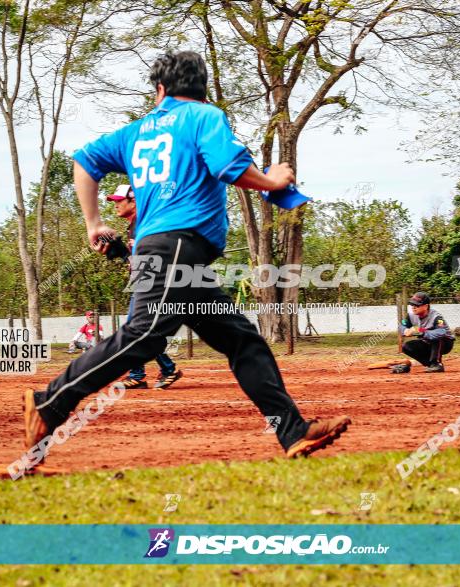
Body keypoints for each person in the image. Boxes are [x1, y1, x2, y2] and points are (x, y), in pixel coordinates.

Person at [24, 51, 350, 461]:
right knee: (145, 335)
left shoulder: (136, 132)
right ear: (202, 87)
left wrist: (93, 223)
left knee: (242, 341)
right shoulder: (204, 117)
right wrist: (273, 179)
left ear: (161, 89)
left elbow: (83, 162)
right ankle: (50, 402)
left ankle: (293, 432)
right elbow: (230, 167)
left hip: (177, 251)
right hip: (176, 245)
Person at [108, 186, 183, 390]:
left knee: (136, 328)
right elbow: (135, 259)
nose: (115, 204)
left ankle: (145, 373)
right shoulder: (133, 226)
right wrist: (120, 250)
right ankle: (156, 371)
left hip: (153, 281)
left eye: (119, 200)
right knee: (140, 329)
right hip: (144, 279)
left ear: (133, 201)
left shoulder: (145, 222)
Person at [398, 292, 455, 373]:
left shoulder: (436, 317)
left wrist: (421, 331)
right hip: (427, 342)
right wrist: (405, 330)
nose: (413, 307)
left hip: (445, 343)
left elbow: (441, 332)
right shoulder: (411, 315)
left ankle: (436, 364)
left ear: (426, 306)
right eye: (412, 305)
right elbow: (401, 326)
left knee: (435, 337)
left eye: (417, 305)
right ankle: (430, 364)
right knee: (406, 347)